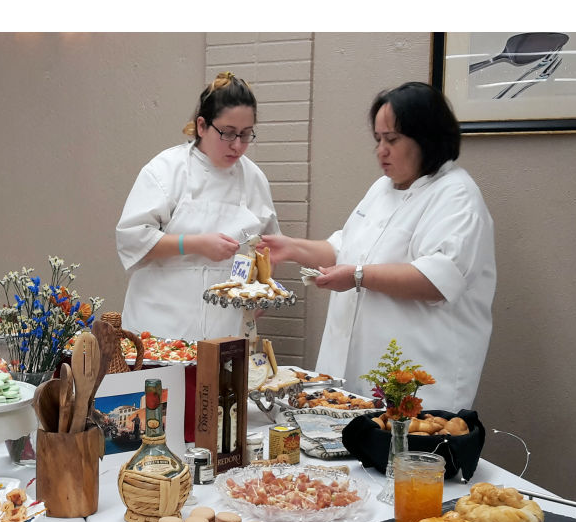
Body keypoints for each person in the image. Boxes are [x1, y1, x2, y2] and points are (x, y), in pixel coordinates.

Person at [262, 81, 495, 411]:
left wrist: (358, 276)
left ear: (427, 138)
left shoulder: (457, 196)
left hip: (419, 378)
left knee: (406, 456)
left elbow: (438, 280)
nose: (381, 150)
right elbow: (346, 249)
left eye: (392, 140)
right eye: (378, 140)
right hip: (354, 375)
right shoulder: (383, 188)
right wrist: (291, 248)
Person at [116, 72, 282, 341]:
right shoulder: (166, 170)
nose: (237, 145)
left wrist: (261, 291)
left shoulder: (254, 180)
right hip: (160, 326)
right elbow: (132, 239)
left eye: (246, 134)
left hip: (226, 331)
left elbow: (270, 250)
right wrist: (194, 244)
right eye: (227, 133)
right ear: (202, 126)